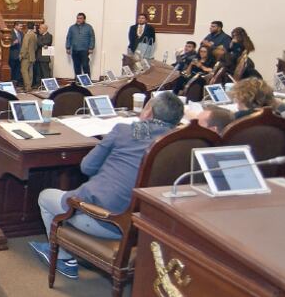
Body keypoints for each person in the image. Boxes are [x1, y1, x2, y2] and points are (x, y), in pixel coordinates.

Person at [30, 94, 184, 279]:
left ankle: (63, 257)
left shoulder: (124, 131)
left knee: (46, 196)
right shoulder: (179, 145)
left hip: (108, 220)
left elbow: (87, 167)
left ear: (148, 112)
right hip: (147, 224)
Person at [20, 22, 37, 93]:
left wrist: (22, 55)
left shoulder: (27, 35)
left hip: (26, 56)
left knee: (24, 71)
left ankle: (27, 87)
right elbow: (35, 47)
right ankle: (29, 86)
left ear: (27, 27)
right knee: (30, 71)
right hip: (32, 56)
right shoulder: (34, 35)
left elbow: (25, 46)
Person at [8, 22, 24, 88]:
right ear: (15, 26)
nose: (21, 28)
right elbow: (6, 43)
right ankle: (11, 82)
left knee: (18, 70)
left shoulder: (21, 33)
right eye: (20, 26)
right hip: (12, 55)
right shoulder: (9, 33)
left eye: (21, 26)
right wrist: (13, 43)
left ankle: (17, 83)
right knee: (12, 69)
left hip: (20, 55)